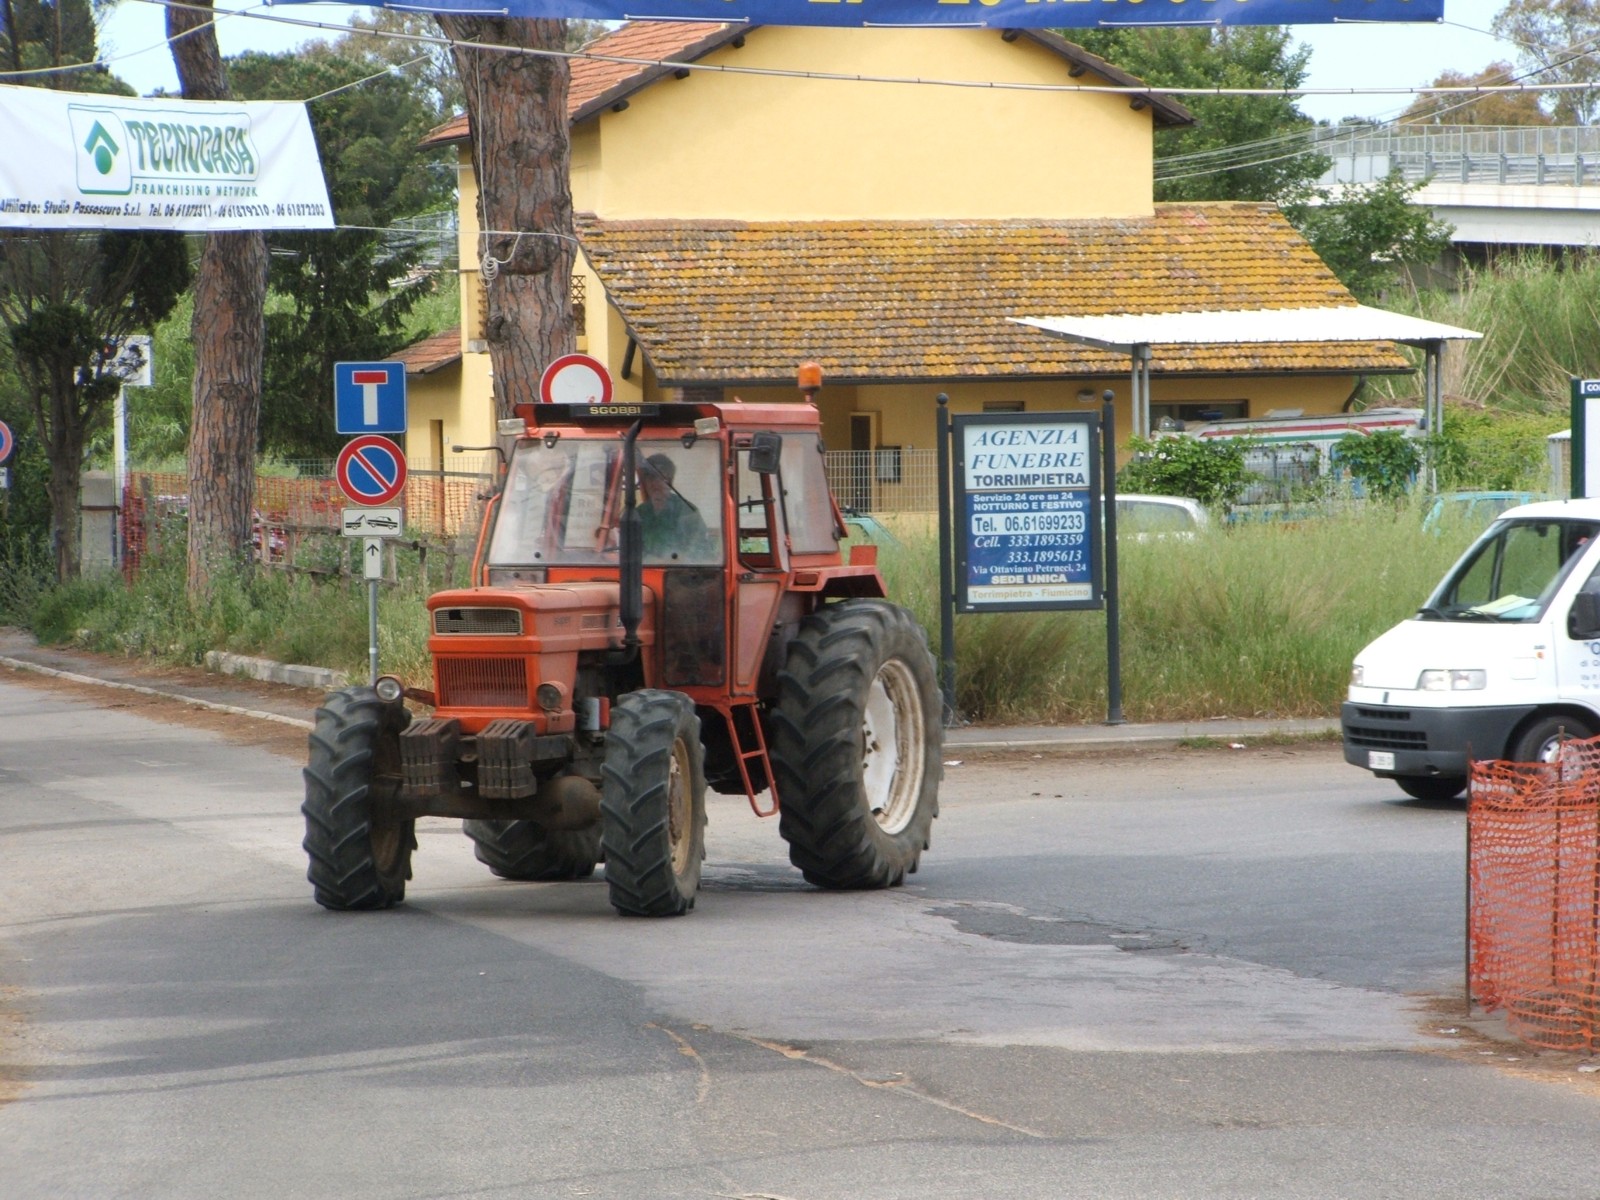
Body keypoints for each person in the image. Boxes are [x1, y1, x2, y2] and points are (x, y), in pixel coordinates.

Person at [637, 452, 711, 559]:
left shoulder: (688, 512)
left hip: (677, 568)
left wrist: (679, 560)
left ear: (670, 481)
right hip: (645, 569)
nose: (654, 484)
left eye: (660, 478)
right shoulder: (639, 514)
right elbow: (630, 552)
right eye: (650, 478)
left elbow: (703, 552)